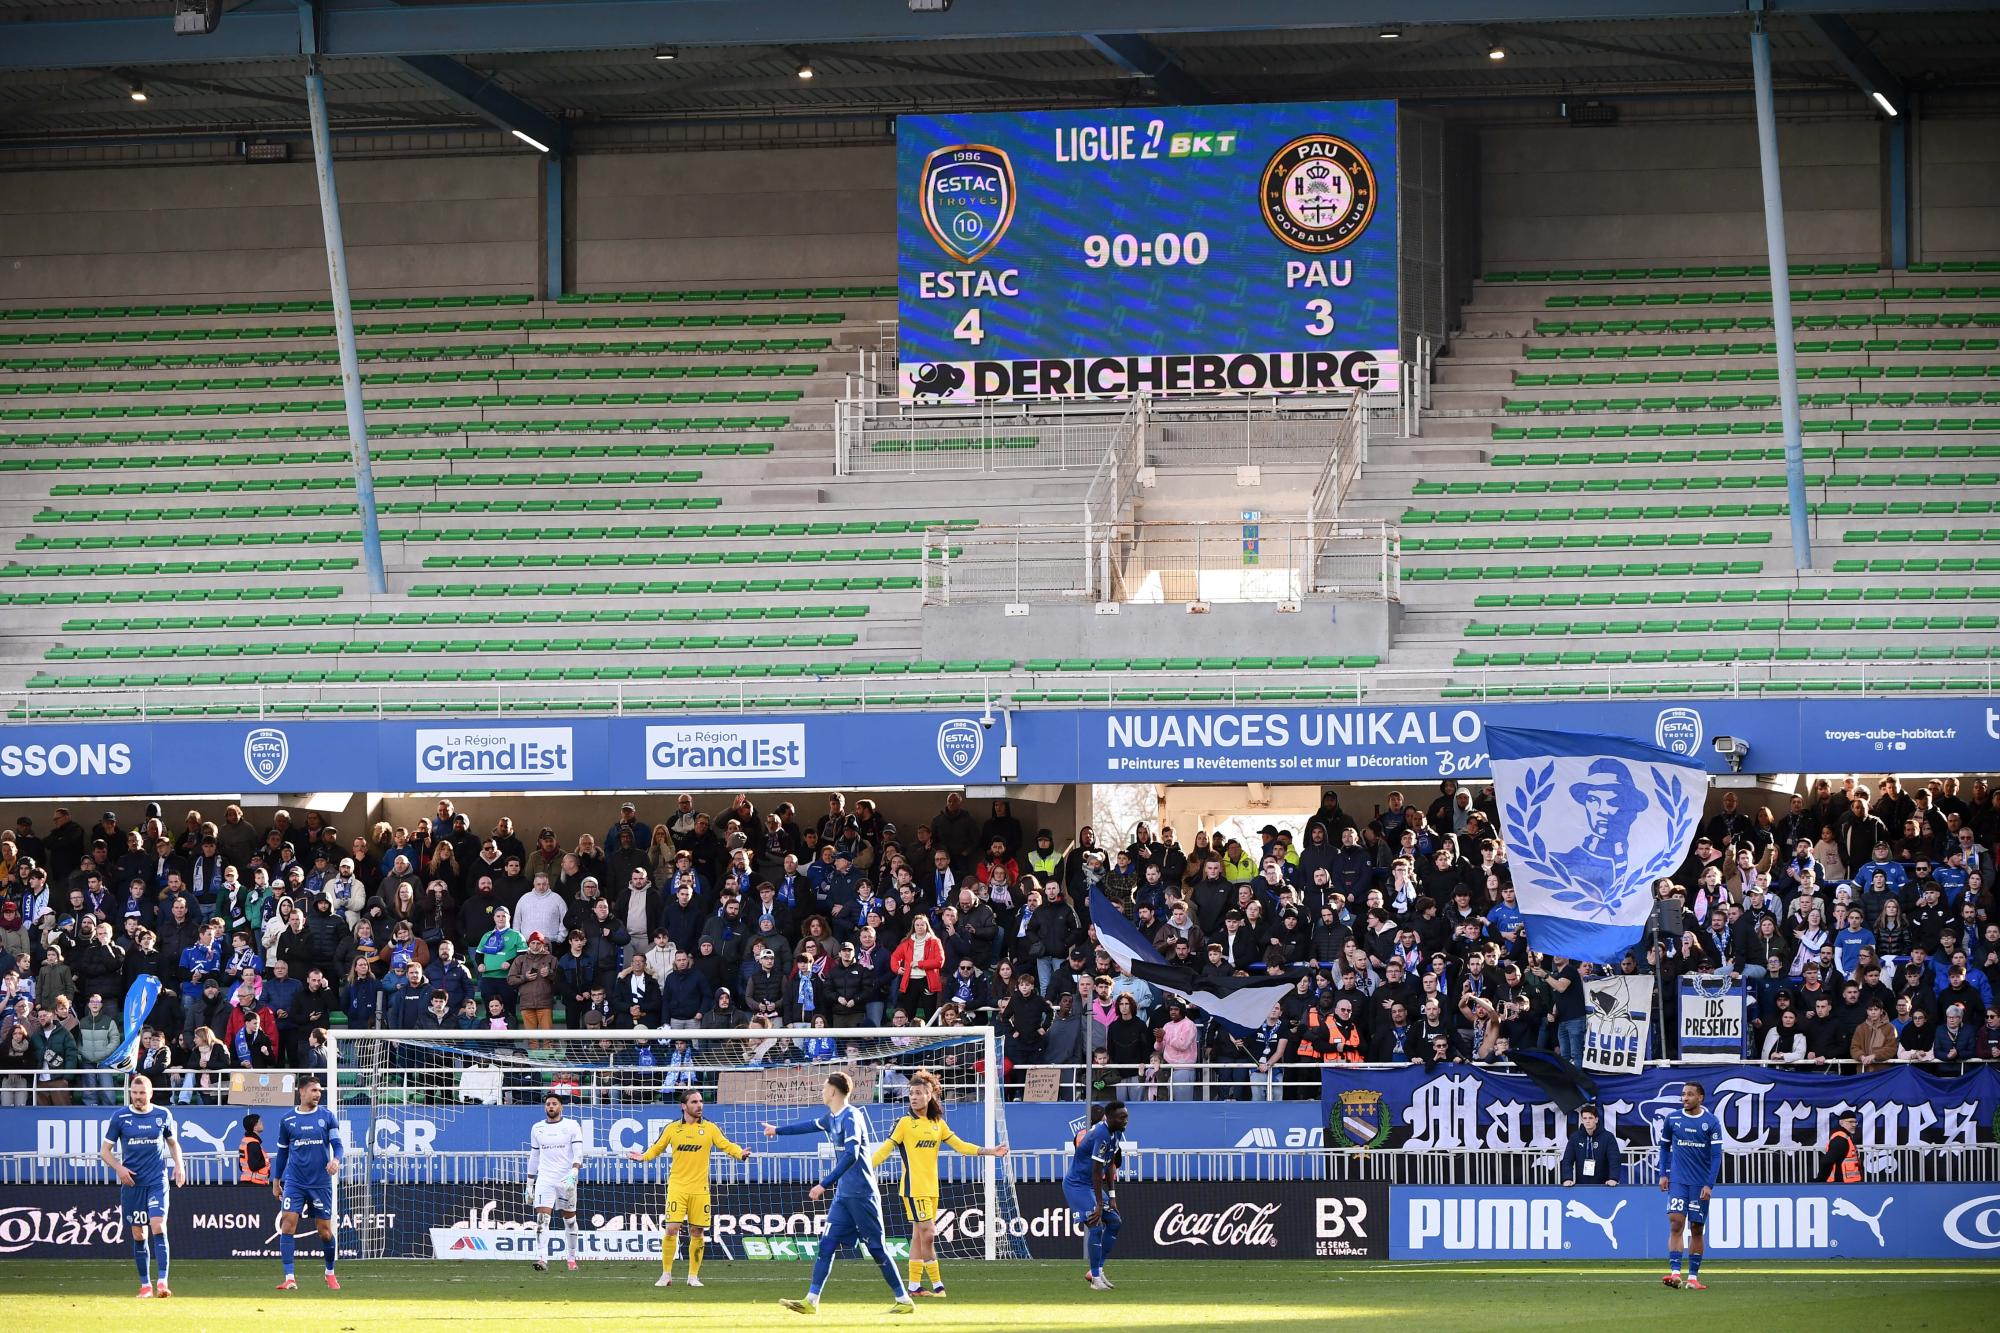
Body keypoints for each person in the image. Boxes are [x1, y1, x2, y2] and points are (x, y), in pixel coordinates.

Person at [763, 1072, 913, 1315]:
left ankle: (904, 1300)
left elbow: (852, 1155)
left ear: (833, 1091)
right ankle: (811, 1300)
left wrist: (824, 1183)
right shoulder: (831, 1117)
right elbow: (809, 1126)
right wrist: (777, 1130)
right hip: (844, 1196)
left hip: (862, 1194)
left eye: (824, 1087)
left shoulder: (852, 1116)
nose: (822, 1091)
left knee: (876, 1249)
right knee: (827, 1244)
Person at [869, 1069, 1008, 1298]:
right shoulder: (904, 1123)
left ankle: (914, 1286)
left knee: (918, 1235)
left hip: (931, 1188)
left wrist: (990, 1151)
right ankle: (938, 1285)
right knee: (929, 1233)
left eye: (918, 1093)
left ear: (930, 1095)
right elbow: (885, 1150)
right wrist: (864, 1167)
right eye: (911, 1093)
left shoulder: (937, 1124)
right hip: (913, 1189)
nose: (913, 1097)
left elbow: (961, 1146)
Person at [631, 1089, 751, 1289]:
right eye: (694, 1102)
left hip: (700, 1189)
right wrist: (644, 1157)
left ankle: (693, 1276)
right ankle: (666, 1274)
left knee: (697, 1232)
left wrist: (740, 1153)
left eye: (701, 1101)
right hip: (677, 1187)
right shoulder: (672, 1129)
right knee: (671, 1229)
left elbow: (725, 1144)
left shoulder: (711, 1128)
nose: (699, 1105)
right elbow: (657, 1147)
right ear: (683, 1106)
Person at [99, 1074, 185, 1299]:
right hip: (132, 1184)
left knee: (158, 1226)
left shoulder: (162, 1114)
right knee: (139, 1233)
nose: (138, 1097)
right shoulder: (120, 1117)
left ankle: (163, 1283)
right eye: (135, 1093)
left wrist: (179, 1165)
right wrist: (119, 1168)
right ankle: (145, 1285)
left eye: (142, 1093)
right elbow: (104, 1152)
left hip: (157, 1180)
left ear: (150, 1093)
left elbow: (173, 1143)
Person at [272, 1074, 343, 1292]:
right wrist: (276, 1180)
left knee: (324, 1231)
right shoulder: (287, 1120)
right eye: (314, 1090)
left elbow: (338, 1145)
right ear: (301, 1092)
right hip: (295, 1181)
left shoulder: (327, 1116)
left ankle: (329, 1273)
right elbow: (282, 1153)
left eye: (320, 1090)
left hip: (320, 1182)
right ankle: (289, 1277)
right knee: (288, 1224)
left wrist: (335, 1160)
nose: (318, 1094)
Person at [1656, 1080, 1721, 1290]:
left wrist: (1709, 1184)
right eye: (1683, 1094)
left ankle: (1693, 1277)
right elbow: (1664, 1147)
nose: (1685, 1098)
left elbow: (1716, 1156)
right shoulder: (1672, 1119)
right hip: (1678, 1181)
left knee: (1696, 1228)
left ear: (1700, 1097)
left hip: (1699, 1183)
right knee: (1675, 1223)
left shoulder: (1711, 1122)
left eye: (1690, 1094)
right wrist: (1663, 1174)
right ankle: (1675, 1273)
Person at [1065, 1098, 1127, 1292]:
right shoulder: (1100, 1133)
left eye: (1126, 1117)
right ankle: (1095, 1279)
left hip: (1091, 1186)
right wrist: (1100, 1204)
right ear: (1109, 1118)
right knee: (1096, 1225)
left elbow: (1110, 1165)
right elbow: (1095, 1170)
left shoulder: (1115, 1133)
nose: (1126, 1121)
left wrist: (1113, 1197)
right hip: (1078, 1185)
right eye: (1122, 1118)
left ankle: (1097, 1270)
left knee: (1115, 1222)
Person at [527, 1094, 588, 1273]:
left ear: (561, 1107)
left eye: (554, 1104)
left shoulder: (571, 1126)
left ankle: (571, 1258)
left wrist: (574, 1171)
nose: (551, 1106)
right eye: (548, 1104)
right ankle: (542, 1258)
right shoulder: (537, 1128)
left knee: (569, 1220)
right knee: (542, 1220)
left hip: (566, 1179)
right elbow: (534, 1156)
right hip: (545, 1179)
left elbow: (578, 1153)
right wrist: (530, 1183)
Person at [1559, 1104, 1620, 1188]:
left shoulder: (1608, 1137)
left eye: (1590, 1118)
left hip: (1604, 1186)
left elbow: (1614, 1159)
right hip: (1581, 1186)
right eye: (1585, 1118)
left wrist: (1613, 1178)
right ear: (1582, 1120)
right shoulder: (1575, 1137)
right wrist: (1567, 1178)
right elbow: (1567, 1160)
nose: (1587, 1121)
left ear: (1596, 1120)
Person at [1817, 1108, 1862, 1184]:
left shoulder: (1846, 1137)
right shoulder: (1840, 1139)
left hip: (1846, 1183)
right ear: (1841, 1123)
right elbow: (1827, 1161)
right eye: (1850, 1122)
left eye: (1855, 1122)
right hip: (1841, 1184)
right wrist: (1820, 1180)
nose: (1854, 1125)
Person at [238, 1112, 270, 1184]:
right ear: (255, 1127)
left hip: (248, 1183)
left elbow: (241, 1166)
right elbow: (254, 1166)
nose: (262, 1124)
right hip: (254, 1184)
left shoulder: (246, 1141)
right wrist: (266, 1161)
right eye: (260, 1122)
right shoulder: (253, 1144)